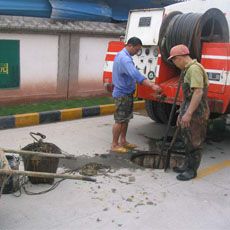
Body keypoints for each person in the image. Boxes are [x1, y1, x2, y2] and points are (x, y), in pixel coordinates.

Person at [111, 37, 161, 153]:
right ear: (131, 46)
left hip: (127, 93)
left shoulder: (122, 55)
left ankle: (123, 141)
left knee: (126, 119)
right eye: (137, 50)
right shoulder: (125, 59)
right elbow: (135, 74)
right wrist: (152, 85)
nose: (137, 52)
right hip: (122, 94)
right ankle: (114, 144)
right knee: (120, 120)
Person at [168, 44, 210, 181]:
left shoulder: (194, 69)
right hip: (190, 107)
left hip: (197, 112)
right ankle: (187, 165)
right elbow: (188, 95)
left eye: (174, 60)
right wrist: (182, 111)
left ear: (179, 58)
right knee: (187, 139)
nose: (174, 64)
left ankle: (192, 170)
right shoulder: (188, 69)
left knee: (194, 142)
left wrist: (189, 113)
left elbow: (198, 92)